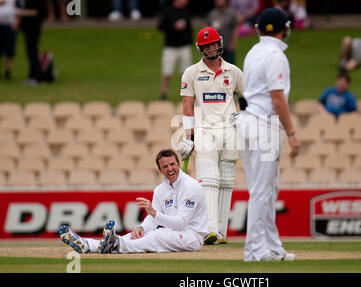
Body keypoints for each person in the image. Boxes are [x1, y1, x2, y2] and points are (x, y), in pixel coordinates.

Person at [236, 8, 300, 261]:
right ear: (284, 29)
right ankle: (254, 251)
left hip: (248, 123)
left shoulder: (254, 51)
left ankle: (272, 247)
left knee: (265, 190)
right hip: (264, 126)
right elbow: (277, 98)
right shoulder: (275, 55)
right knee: (263, 191)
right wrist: (292, 133)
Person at [59, 149, 208, 254]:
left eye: (172, 164)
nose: (170, 169)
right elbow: (152, 219)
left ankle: (116, 245)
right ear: (160, 169)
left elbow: (181, 223)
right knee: (138, 235)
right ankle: (88, 245)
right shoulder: (160, 190)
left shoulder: (191, 186)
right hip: (173, 233)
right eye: (165, 166)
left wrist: (155, 213)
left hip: (192, 237)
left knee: (157, 235)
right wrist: (141, 227)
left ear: (178, 164)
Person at [178, 27, 243, 245]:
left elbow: (249, 95)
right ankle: (209, 229)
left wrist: (243, 116)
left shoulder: (233, 71)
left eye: (213, 44)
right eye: (206, 46)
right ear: (200, 48)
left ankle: (221, 233)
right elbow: (187, 105)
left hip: (229, 131)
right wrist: (189, 135)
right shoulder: (191, 73)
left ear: (220, 44)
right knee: (208, 179)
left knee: (226, 181)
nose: (210, 48)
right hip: (205, 129)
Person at [158, 0, 192, 100]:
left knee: (186, 72)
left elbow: (189, 28)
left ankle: (187, 94)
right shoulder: (168, 12)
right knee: (167, 71)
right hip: (170, 47)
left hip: (184, 46)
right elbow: (160, 26)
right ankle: (163, 93)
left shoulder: (186, 12)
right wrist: (173, 27)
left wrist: (189, 41)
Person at [15, 0, 47, 86]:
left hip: (33, 28)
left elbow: (35, 12)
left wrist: (17, 12)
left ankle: (36, 77)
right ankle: (32, 76)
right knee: (30, 52)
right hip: (26, 27)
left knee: (32, 52)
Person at [206, 0, 239, 64]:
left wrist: (232, 44)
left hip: (228, 46)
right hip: (215, 47)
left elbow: (235, 30)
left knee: (230, 68)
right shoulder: (211, 14)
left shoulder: (231, 14)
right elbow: (206, 29)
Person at [0, 0, 18, 80]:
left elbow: (19, 8)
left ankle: (7, 71)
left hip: (10, 26)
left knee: (10, 50)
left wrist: (17, 22)